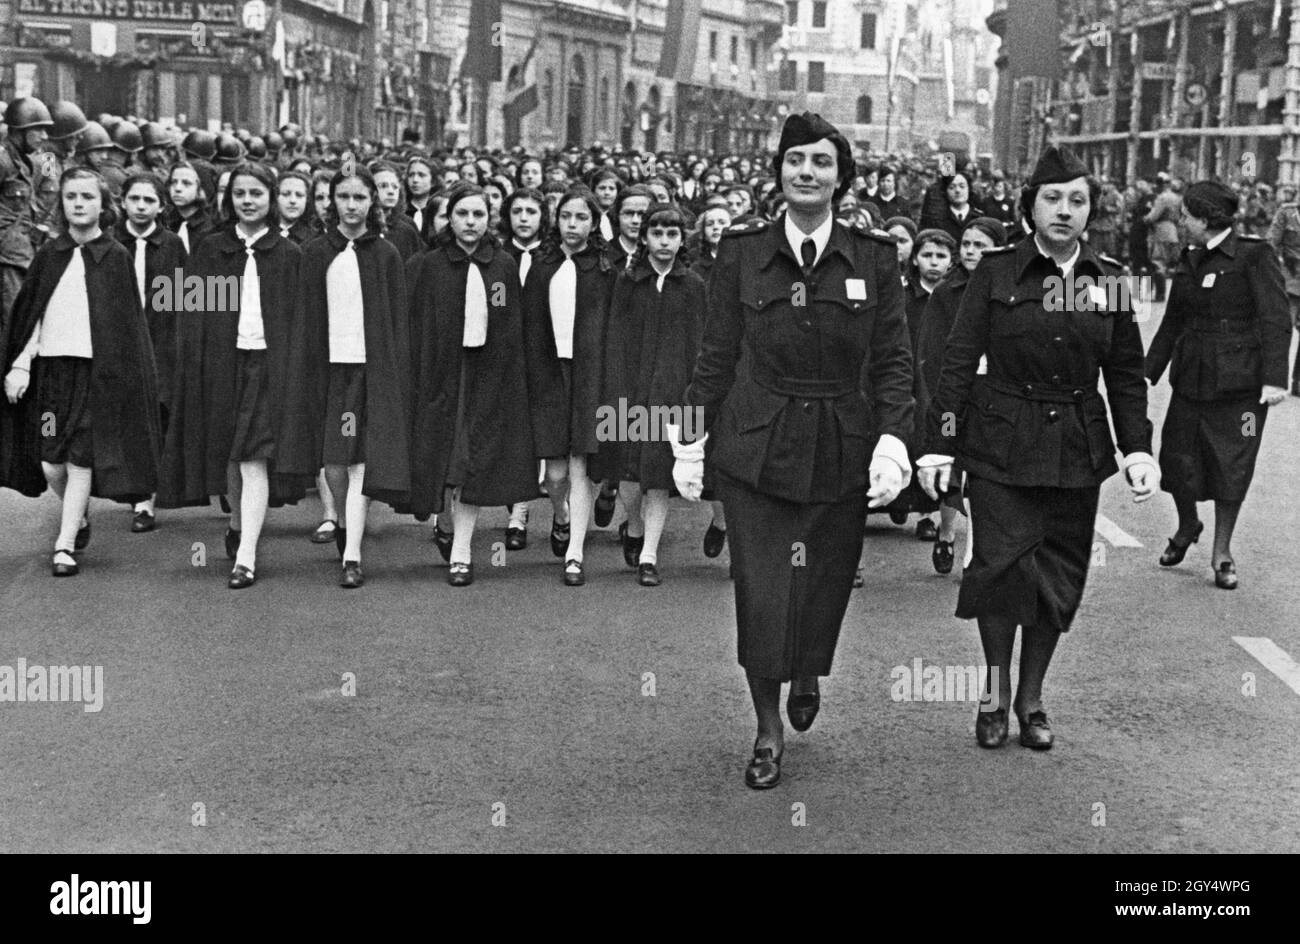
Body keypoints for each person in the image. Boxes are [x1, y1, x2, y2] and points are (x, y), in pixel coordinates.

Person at [680, 113, 913, 788]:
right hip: (756, 450)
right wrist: (690, 438)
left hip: (842, 446)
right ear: (778, 171)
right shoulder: (741, 251)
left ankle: (808, 667)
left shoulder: (873, 257)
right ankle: (766, 728)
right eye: (794, 161)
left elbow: (895, 359)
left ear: (841, 179)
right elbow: (716, 353)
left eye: (820, 163)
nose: (805, 173)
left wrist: (896, 439)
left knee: (820, 586)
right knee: (762, 590)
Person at [918, 145, 1158, 751]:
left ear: (1090, 214)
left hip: (1075, 446)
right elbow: (957, 360)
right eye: (1052, 198)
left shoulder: (1107, 283)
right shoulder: (998, 273)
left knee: (1057, 573)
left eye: (1077, 201)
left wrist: (1138, 449)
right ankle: (995, 691)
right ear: (1030, 207)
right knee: (1000, 567)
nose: (1064, 210)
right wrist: (942, 443)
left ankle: (1031, 696)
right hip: (999, 440)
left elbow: (1126, 373)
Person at [1, 167, 161, 576]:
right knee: (51, 460)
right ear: (62, 203)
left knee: (81, 458)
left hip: (97, 379)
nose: (78, 203)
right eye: (71, 196)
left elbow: (128, 329)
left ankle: (65, 544)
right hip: (53, 380)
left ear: (103, 205)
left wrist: (128, 381)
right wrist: (20, 365)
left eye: (87, 197)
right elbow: (31, 317)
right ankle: (80, 517)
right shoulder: (49, 255)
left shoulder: (115, 258)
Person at [157, 161, 307, 589]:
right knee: (229, 453)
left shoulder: (289, 253)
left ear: (271, 199)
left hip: (268, 366)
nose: (247, 201)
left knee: (253, 455)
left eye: (256, 194)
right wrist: (192, 365)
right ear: (229, 199)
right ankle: (239, 523)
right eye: (240, 194)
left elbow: (298, 322)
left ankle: (247, 555)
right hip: (223, 363)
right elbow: (194, 312)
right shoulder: (210, 247)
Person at [1144, 180, 1290, 590]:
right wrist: (1145, 373)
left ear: (1206, 219)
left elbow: (1276, 318)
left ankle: (1222, 552)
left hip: (1242, 389)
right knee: (1175, 457)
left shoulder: (1254, 255)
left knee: (1233, 463)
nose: (1181, 221)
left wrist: (1274, 380)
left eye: (1187, 215)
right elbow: (1173, 321)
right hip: (1191, 378)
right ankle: (1188, 524)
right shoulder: (1190, 257)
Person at [282, 167, 411, 588]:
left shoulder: (386, 254)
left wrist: (395, 374)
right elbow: (303, 317)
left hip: (370, 372)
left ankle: (351, 553)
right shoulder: (316, 252)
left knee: (360, 461)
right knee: (334, 462)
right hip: (330, 372)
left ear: (372, 202)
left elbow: (395, 321)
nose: (352, 206)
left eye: (359, 198)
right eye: (343, 197)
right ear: (330, 202)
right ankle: (338, 518)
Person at [406, 184, 536, 586]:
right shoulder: (428, 265)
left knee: (470, 461)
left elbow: (506, 319)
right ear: (448, 218)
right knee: (438, 458)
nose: (470, 223)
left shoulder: (501, 267)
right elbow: (415, 325)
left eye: (478, 215)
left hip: (483, 376)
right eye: (462, 214)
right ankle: (443, 520)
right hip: (437, 376)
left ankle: (462, 550)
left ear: (489, 219)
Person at [601, 202, 706, 587]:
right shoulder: (627, 282)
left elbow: (700, 344)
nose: (664, 242)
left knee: (660, 474)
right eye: (657, 234)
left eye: (672, 235)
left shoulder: (693, 286)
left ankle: (649, 555)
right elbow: (614, 337)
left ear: (682, 240)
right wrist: (613, 390)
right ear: (643, 238)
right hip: (629, 390)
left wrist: (694, 397)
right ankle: (633, 524)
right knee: (627, 472)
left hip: (675, 394)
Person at [523, 188, 614, 585]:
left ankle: (575, 552)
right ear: (555, 221)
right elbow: (527, 324)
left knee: (581, 467)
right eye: (566, 217)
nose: (573, 225)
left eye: (581, 218)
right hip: (548, 373)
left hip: (589, 376)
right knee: (554, 474)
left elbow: (615, 328)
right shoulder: (541, 264)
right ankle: (559, 514)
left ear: (594, 223)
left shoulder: (606, 268)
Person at [914, 216, 1006, 571]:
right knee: (950, 467)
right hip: (953, 396)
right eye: (966, 244)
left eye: (979, 246)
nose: (970, 251)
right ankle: (947, 536)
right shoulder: (946, 292)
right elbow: (932, 349)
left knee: (985, 474)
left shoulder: (1008, 288)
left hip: (995, 395)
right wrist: (936, 400)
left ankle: (976, 553)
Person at [114, 172, 188, 533]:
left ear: (161, 206)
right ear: (122, 202)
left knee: (157, 415)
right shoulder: (112, 242)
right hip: (119, 343)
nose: (141, 207)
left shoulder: (171, 245)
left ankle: (145, 500)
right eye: (135, 199)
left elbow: (187, 298)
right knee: (122, 416)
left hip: (161, 343)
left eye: (149, 201)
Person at [1265, 184, 1300, 396]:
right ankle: (1275, 379)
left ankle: (1299, 381)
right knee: (1282, 329)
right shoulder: (1287, 213)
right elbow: (1271, 243)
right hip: (1290, 279)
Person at [275, 170, 316, 245]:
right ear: (276, 197)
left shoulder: (315, 239)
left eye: (299, 195)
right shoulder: (262, 232)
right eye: (286, 194)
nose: (292, 200)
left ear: (307, 199)